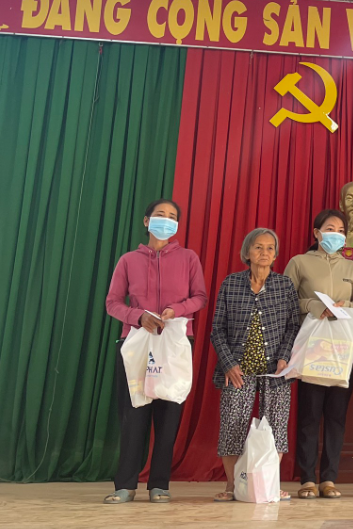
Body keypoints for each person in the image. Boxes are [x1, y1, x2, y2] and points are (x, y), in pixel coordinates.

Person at [103, 199, 208, 504]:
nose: (166, 220)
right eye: (160, 215)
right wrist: (138, 316)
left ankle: (159, 484)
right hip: (136, 345)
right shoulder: (128, 260)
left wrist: (177, 310)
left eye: (172, 216)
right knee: (133, 413)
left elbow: (199, 297)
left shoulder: (189, 258)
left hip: (174, 344)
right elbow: (112, 303)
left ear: (177, 225)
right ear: (146, 221)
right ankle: (125, 485)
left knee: (169, 414)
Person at [210, 228, 300, 502]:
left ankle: (269, 484)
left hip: (275, 370)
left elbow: (293, 326)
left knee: (275, 427)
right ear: (247, 252)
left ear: (275, 254)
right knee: (233, 426)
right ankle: (232, 486)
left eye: (270, 248)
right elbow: (217, 329)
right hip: (237, 369)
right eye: (258, 247)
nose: (264, 253)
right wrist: (228, 364)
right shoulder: (231, 283)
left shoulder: (284, 285)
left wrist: (284, 357)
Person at [285, 209, 353, 499]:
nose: (336, 235)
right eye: (330, 229)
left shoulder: (352, 268)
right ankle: (307, 478)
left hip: (343, 351)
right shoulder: (299, 262)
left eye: (341, 231)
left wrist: (346, 307)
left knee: (336, 416)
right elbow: (285, 300)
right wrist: (313, 306)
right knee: (309, 415)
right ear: (317, 233)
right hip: (312, 348)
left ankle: (329, 479)